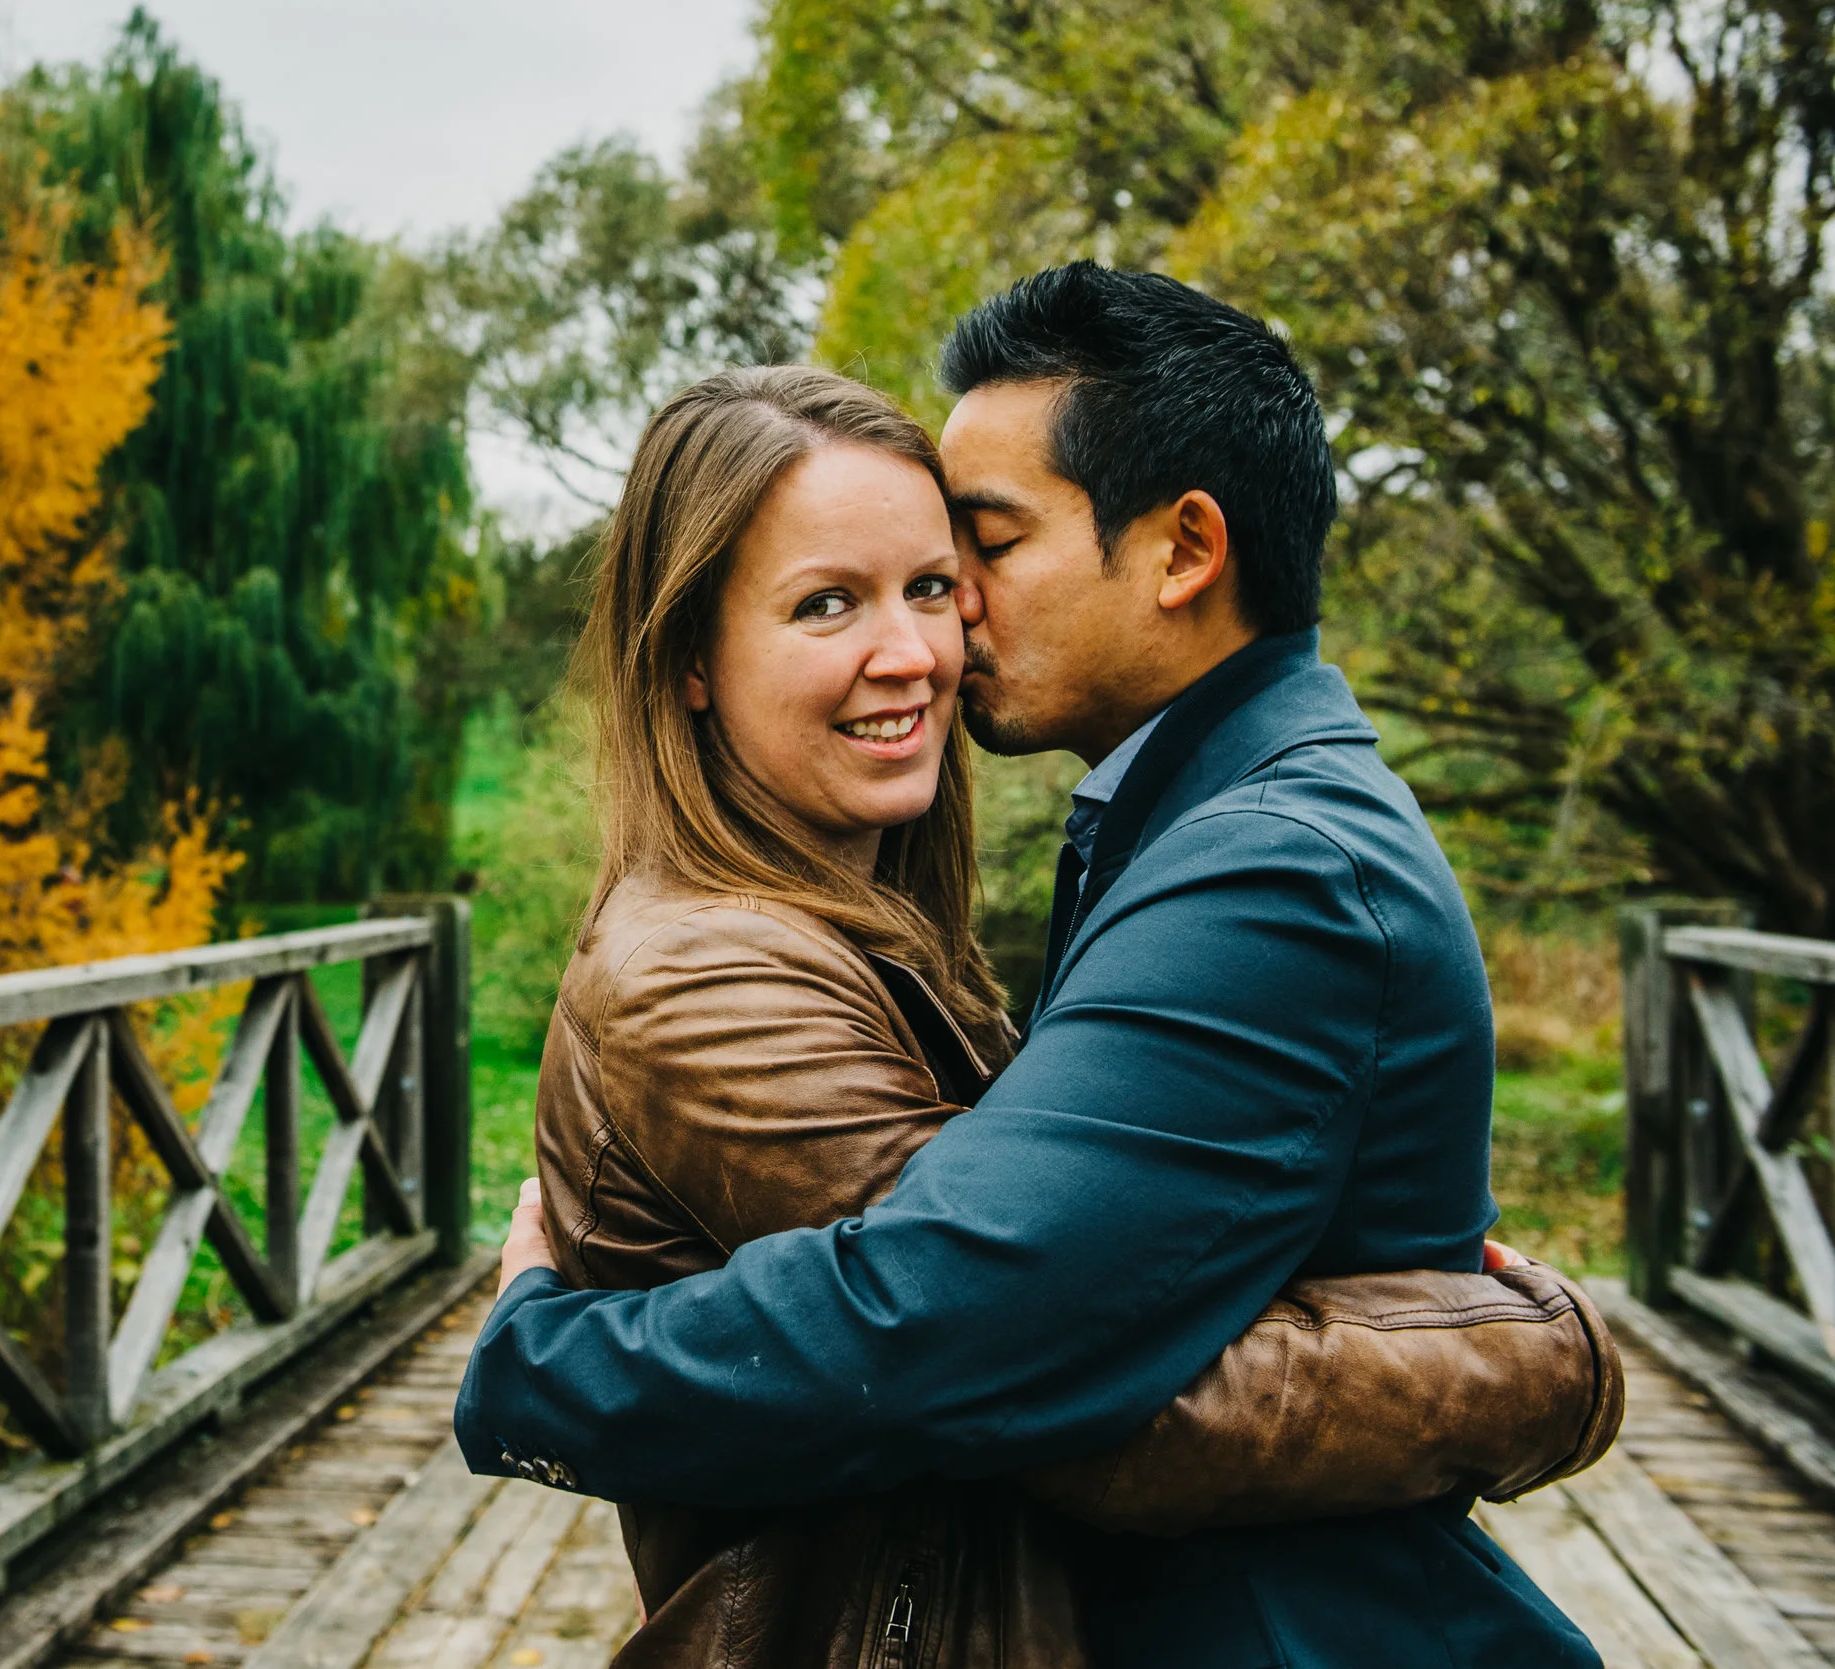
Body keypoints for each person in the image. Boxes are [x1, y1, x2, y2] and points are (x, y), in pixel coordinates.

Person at [459, 267, 1608, 1668]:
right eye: (832, 603)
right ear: (692, 656)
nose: (942, 635)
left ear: (1185, 552)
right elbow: (970, 1344)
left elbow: (982, 1341)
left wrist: (551, 1361)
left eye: (965, 563)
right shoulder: (1199, 827)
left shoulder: (1268, 864)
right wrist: (1518, 1366)